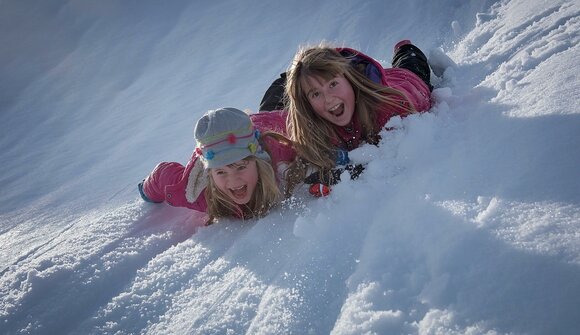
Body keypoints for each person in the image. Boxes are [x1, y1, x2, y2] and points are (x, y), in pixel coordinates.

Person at [260, 40, 433, 196]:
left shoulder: (389, 107)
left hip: (406, 80)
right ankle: (295, 78)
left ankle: (404, 47)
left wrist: (347, 172)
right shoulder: (310, 119)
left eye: (333, 84)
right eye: (315, 94)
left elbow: (390, 157)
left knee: (411, 64)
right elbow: (267, 125)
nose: (328, 99)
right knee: (272, 105)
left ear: (349, 80)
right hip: (302, 92)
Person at [138, 107, 295, 224]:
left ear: (257, 161)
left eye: (241, 167)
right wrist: (147, 190)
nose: (233, 180)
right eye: (221, 172)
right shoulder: (197, 193)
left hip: (265, 123)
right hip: (213, 146)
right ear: (209, 174)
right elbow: (162, 175)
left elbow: (297, 122)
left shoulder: (277, 151)